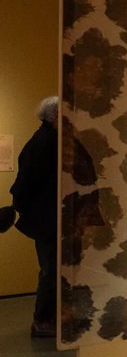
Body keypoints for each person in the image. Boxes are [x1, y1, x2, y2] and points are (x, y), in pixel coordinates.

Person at [10, 97, 66, 338]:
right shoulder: (46, 142)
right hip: (47, 219)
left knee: (51, 269)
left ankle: (48, 318)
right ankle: (43, 320)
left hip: (46, 217)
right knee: (50, 270)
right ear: (55, 115)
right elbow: (27, 182)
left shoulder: (45, 140)